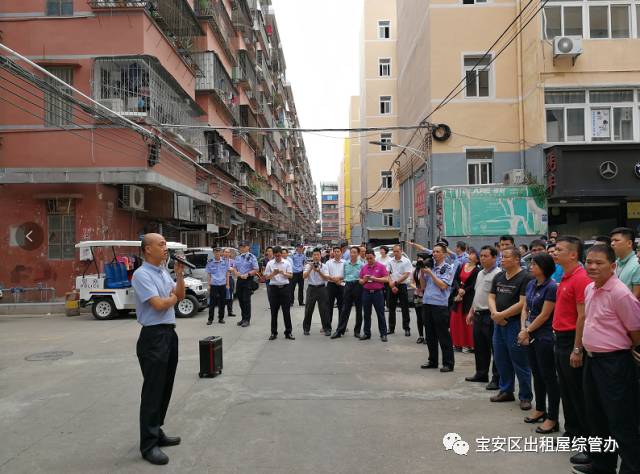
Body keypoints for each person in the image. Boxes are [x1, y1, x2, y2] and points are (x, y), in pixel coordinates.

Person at [576, 244, 640, 474]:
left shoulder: (620, 293)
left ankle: (632, 468)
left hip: (614, 364)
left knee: (621, 421)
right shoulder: (590, 288)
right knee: (596, 418)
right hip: (592, 362)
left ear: (612, 266)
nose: (592, 266)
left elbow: (635, 329)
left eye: (599, 263)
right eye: (589, 261)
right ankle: (603, 466)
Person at [132, 233, 184, 465]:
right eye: (161, 244)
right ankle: (148, 444)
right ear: (147, 249)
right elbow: (159, 305)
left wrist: (180, 276)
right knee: (153, 391)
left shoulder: (163, 271)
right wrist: (172, 298)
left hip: (169, 334)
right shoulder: (141, 274)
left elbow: (179, 295)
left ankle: (157, 430)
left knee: (165, 387)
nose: (165, 248)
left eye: (165, 244)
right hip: (153, 337)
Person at [553, 235, 592, 467]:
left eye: (559, 249)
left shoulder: (581, 278)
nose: (554, 252)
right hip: (561, 339)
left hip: (572, 341)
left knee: (579, 394)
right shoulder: (566, 277)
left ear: (573, 254)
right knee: (566, 391)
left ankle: (588, 444)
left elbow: (583, 316)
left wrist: (577, 348)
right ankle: (572, 433)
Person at [517, 253, 560, 434]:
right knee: (536, 373)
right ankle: (540, 409)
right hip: (529, 333)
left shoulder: (551, 287)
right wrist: (523, 329)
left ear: (544, 267)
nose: (531, 267)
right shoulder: (530, 284)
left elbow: (544, 314)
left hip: (544, 336)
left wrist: (527, 330)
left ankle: (552, 417)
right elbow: (525, 308)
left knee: (549, 376)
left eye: (534, 264)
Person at [488, 247, 534, 409]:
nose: (502, 259)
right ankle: (506, 390)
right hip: (498, 324)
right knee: (501, 359)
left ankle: (525, 396)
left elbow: (523, 303)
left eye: (506, 257)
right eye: (502, 257)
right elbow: (491, 296)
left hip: (514, 324)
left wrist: (502, 315)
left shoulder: (526, 277)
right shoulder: (499, 276)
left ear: (516, 259)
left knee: (520, 361)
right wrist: (495, 313)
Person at [465, 246, 501, 389]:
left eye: (486, 256)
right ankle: (481, 373)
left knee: (495, 348)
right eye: (482, 256)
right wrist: (471, 312)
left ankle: (496, 378)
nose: (483, 258)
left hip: (490, 315)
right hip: (478, 314)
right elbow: (477, 294)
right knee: (480, 347)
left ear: (494, 257)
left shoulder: (498, 274)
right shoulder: (480, 273)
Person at [420, 243, 456, 372]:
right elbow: (423, 287)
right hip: (427, 302)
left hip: (440, 304)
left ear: (445, 254)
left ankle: (448, 363)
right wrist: (421, 272)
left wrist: (430, 273)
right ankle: (432, 360)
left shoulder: (448, 268)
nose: (434, 254)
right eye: (433, 251)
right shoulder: (431, 266)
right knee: (429, 334)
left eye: (437, 252)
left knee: (443, 335)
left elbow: (443, 286)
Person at [450, 248, 480, 353]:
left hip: (468, 297)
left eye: (472, 254)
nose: (469, 255)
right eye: (469, 253)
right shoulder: (462, 266)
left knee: (467, 320)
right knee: (455, 320)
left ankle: (469, 345)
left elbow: (474, 284)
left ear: (477, 259)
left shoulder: (477, 270)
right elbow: (455, 279)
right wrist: (459, 289)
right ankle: (457, 343)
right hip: (458, 296)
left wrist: (464, 291)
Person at [332, 246, 364, 338]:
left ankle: (357, 331)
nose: (352, 254)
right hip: (348, 286)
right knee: (345, 309)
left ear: (358, 254)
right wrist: (337, 279)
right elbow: (344, 276)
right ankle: (340, 331)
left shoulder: (361, 265)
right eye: (351, 252)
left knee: (358, 309)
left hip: (358, 286)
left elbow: (363, 277)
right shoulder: (346, 264)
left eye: (354, 253)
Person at [263, 246, 295, 341]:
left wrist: (282, 273)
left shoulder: (286, 263)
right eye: (276, 256)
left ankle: (288, 332)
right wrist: (273, 274)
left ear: (281, 254)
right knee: (274, 312)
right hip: (274, 289)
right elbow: (266, 277)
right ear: (273, 254)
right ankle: (273, 333)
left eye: (279, 255)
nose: (277, 257)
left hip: (285, 288)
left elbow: (291, 275)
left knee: (286, 312)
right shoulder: (270, 263)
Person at [358, 248, 389, 341]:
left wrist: (375, 279)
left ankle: (383, 334)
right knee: (366, 314)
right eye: (367, 259)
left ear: (374, 256)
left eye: (371, 258)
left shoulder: (381, 266)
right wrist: (364, 280)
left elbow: (386, 279)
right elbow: (360, 280)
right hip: (366, 292)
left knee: (380, 314)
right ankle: (367, 333)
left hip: (378, 293)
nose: (369, 260)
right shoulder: (364, 267)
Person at [302, 248, 331, 336]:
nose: (316, 256)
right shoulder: (308, 265)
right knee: (308, 309)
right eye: (314, 255)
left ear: (320, 256)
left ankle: (327, 329)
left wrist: (319, 271)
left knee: (324, 309)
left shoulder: (324, 266)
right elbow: (304, 276)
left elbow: (326, 278)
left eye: (317, 255)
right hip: (311, 289)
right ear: (312, 256)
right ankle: (306, 329)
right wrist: (311, 268)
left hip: (322, 289)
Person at [232, 241, 259, 327]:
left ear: (248, 247)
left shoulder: (252, 257)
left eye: (243, 246)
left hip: (248, 280)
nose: (242, 248)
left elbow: (256, 269)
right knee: (240, 300)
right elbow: (234, 268)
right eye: (240, 247)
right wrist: (236, 273)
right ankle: (243, 318)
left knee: (246, 300)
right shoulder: (238, 257)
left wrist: (248, 274)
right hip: (240, 280)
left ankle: (247, 320)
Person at [388, 244, 413, 337]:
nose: (395, 253)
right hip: (392, 286)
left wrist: (396, 282)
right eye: (394, 251)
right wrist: (391, 283)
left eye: (397, 251)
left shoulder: (406, 261)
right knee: (391, 308)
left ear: (401, 251)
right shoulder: (390, 261)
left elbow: (406, 274)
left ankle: (406, 328)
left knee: (405, 308)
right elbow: (387, 273)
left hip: (402, 286)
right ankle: (391, 328)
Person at [610, 227, 640, 298]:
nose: (612, 244)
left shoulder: (638, 263)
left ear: (629, 243)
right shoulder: (615, 263)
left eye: (616, 240)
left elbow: (636, 296)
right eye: (611, 241)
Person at [206, 247, 230, 325]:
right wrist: (209, 285)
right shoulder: (210, 262)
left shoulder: (225, 262)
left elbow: (227, 273)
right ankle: (210, 319)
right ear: (213, 253)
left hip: (222, 285)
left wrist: (227, 284)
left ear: (221, 253)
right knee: (212, 303)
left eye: (218, 252)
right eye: (216, 252)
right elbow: (209, 274)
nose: (217, 253)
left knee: (222, 303)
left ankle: (221, 318)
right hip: (214, 285)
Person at [326, 246, 345, 329]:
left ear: (341, 253)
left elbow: (346, 274)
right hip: (331, 286)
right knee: (329, 306)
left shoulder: (345, 262)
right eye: (335, 251)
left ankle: (341, 326)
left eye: (338, 251)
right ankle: (328, 326)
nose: (336, 253)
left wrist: (339, 279)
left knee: (342, 306)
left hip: (341, 285)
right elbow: (326, 274)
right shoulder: (328, 262)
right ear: (333, 253)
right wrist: (334, 279)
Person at [413, 253, 427, 344]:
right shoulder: (415, 271)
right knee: (419, 317)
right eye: (418, 259)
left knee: (426, 317)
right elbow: (411, 282)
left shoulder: (427, 270)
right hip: (417, 295)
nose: (419, 260)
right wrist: (416, 287)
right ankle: (421, 335)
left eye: (421, 259)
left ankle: (428, 336)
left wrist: (422, 288)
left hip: (426, 295)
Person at [223, 248, 236, 317]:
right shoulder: (221, 260)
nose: (227, 253)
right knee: (222, 296)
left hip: (230, 279)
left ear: (230, 254)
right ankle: (221, 312)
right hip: (221, 279)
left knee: (230, 296)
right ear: (223, 253)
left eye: (228, 252)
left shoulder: (232, 261)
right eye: (225, 252)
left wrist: (231, 269)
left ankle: (230, 311)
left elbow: (233, 269)